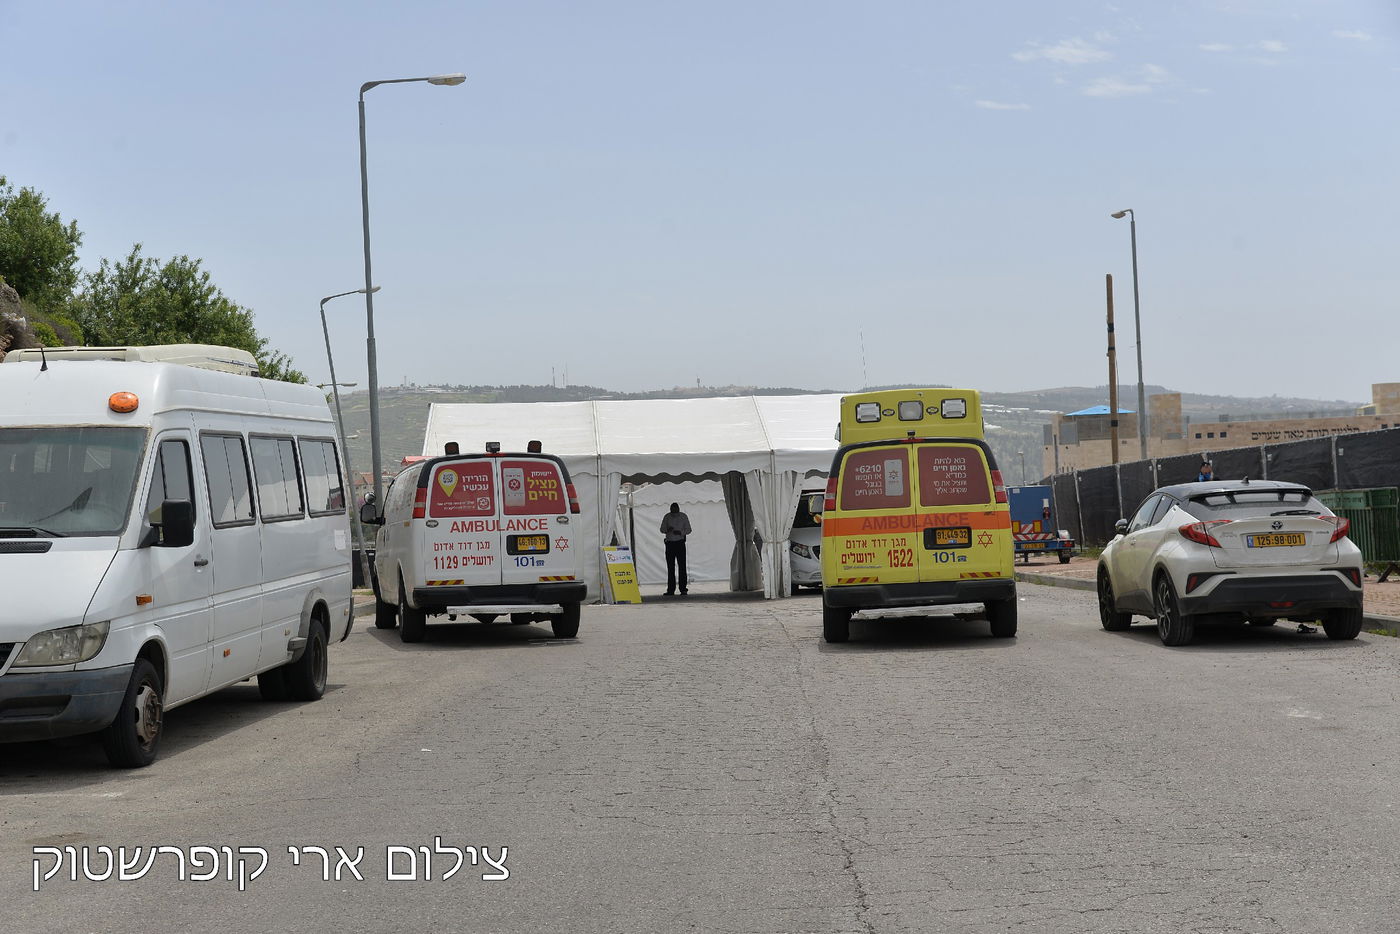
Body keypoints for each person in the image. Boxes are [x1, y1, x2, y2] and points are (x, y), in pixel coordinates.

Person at [660, 502, 692, 595]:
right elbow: (661, 529)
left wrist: (681, 532)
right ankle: (671, 589)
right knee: (670, 567)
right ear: (670, 510)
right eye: (672, 511)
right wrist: (667, 530)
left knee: (682, 566)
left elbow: (689, 529)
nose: (674, 513)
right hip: (669, 543)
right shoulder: (667, 517)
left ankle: (683, 588)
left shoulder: (683, 516)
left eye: (675, 511)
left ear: (678, 509)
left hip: (680, 542)